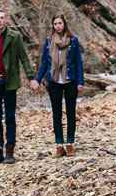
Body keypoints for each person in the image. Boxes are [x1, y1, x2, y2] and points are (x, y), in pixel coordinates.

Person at [0, 8, 39, 165]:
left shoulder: (15, 36)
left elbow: (24, 58)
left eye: (2, 18)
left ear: (6, 20)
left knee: (10, 117)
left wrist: (31, 78)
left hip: (9, 81)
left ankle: (10, 151)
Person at [36, 12, 85, 157]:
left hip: (70, 80)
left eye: (60, 23)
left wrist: (81, 82)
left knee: (71, 112)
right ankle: (59, 145)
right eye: (55, 24)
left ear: (64, 24)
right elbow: (45, 62)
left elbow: (78, 63)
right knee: (56, 113)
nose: (58, 26)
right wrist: (38, 80)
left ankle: (69, 144)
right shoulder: (49, 40)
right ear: (53, 26)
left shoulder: (73, 40)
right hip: (53, 80)